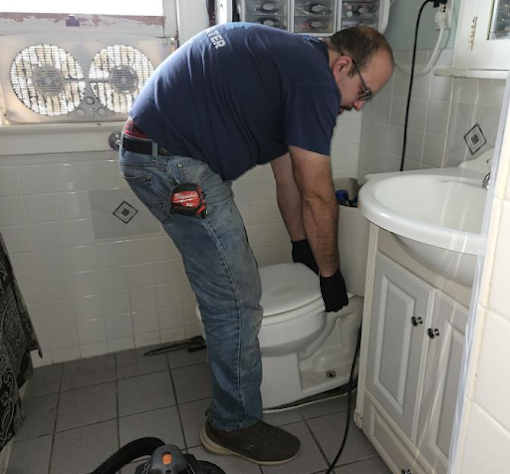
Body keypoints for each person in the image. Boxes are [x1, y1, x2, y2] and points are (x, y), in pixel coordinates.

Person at [119, 23, 394, 465]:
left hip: (158, 153)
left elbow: (288, 176)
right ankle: (232, 425)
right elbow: (318, 194)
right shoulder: (313, 82)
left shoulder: (291, 63)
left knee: (232, 282)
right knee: (235, 298)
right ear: (343, 64)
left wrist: (300, 244)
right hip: (170, 162)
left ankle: (233, 410)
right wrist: (329, 273)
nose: (358, 106)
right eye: (363, 92)